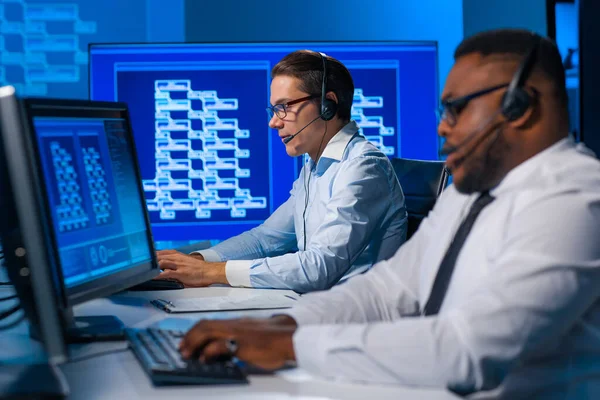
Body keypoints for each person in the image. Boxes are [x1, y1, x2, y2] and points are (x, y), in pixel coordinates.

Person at [175, 29, 600, 399]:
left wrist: (291, 345)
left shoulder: (576, 198)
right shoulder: (471, 193)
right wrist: (281, 325)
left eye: (457, 108)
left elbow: (469, 352)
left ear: (519, 106)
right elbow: (388, 289)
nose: (441, 127)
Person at [156, 50, 407, 293]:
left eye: (284, 107)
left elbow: (319, 268)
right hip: (320, 310)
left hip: (355, 322)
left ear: (327, 105)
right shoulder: (314, 167)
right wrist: (197, 260)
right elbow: (266, 239)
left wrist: (210, 273)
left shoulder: (362, 167)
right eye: (274, 110)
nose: (274, 122)